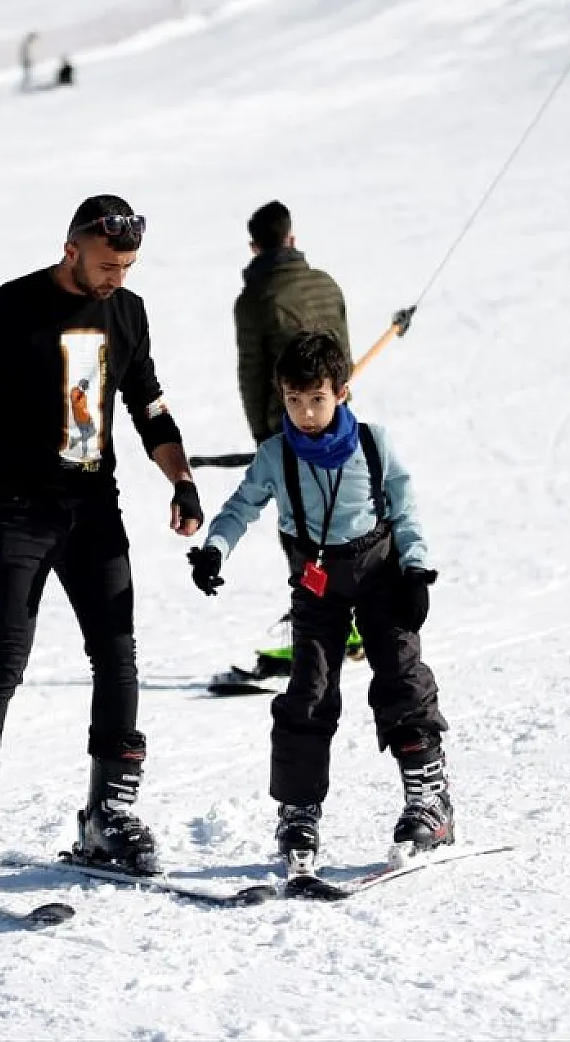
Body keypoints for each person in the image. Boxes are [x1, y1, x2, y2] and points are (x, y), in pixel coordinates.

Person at [0, 195, 205, 892]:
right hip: (21, 513)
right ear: (71, 248)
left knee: (118, 654)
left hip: (94, 510)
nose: (118, 278)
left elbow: (149, 404)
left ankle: (109, 816)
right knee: (4, 661)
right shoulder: (9, 306)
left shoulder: (127, 312)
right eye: (108, 265)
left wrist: (182, 480)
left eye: (129, 266)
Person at [188, 331, 451, 870]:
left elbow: (404, 510)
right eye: (294, 400)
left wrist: (417, 570)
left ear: (341, 393)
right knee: (308, 689)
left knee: (401, 676)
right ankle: (298, 812)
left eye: (317, 399)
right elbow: (240, 508)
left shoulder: (373, 444)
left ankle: (430, 800)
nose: (305, 414)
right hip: (317, 582)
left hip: (380, 572)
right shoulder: (276, 455)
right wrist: (215, 549)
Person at [210, 201, 356, 694]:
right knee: (342, 517)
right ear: (291, 238)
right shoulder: (325, 283)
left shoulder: (254, 298)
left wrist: (263, 438)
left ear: (255, 246)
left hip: (290, 426)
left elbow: (253, 373)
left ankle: (317, 634)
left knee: (300, 530)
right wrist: (338, 398)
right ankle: (348, 621)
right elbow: (343, 353)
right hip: (336, 419)